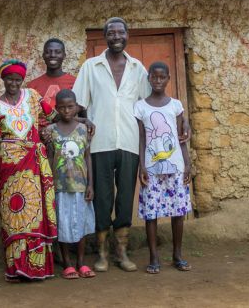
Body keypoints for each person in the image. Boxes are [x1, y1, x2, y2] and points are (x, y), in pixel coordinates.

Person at [73, 17, 190, 273]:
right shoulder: (91, 67)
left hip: (130, 144)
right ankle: (102, 253)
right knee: (103, 198)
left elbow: (153, 103)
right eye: (111, 33)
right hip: (99, 143)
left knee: (125, 197)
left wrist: (182, 121)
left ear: (128, 36)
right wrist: (84, 121)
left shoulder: (138, 69)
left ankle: (122, 252)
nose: (116, 36)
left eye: (121, 32)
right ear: (105, 36)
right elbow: (79, 105)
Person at [0, 59, 57, 283]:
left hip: (34, 165)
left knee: (33, 214)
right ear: (3, 80)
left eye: (17, 80)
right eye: (9, 79)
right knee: (13, 215)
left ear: (22, 80)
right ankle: (16, 268)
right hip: (8, 168)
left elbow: (54, 117)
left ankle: (36, 268)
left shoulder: (33, 96)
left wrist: (50, 132)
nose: (14, 83)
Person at [136, 61, 192, 274]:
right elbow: (141, 138)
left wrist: (187, 163)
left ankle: (177, 255)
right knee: (152, 213)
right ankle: (154, 257)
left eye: (162, 77)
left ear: (168, 78)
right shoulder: (140, 106)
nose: (158, 81)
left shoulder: (176, 105)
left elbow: (181, 137)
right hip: (151, 168)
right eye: (154, 77)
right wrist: (141, 165)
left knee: (178, 211)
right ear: (148, 78)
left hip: (176, 166)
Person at [45, 89, 96, 280]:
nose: (66, 110)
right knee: (62, 224)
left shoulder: (84, 129)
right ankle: (67, 263)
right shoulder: (50, 131)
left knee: (81, 224)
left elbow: (87, 157)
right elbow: (49, 158)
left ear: (77, 108)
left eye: (70, 106)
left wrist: (91, 184)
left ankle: (81, 262)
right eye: (62, 107)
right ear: (56, 108)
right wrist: (48, 184)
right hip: (60, 187)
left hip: (81, 186)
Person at [27, 38, 76, 109]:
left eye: (58, 52)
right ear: (43, 55)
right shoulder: (32, 86)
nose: (53, 55)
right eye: (48, 52)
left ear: (64, 56)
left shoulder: (75, 83)